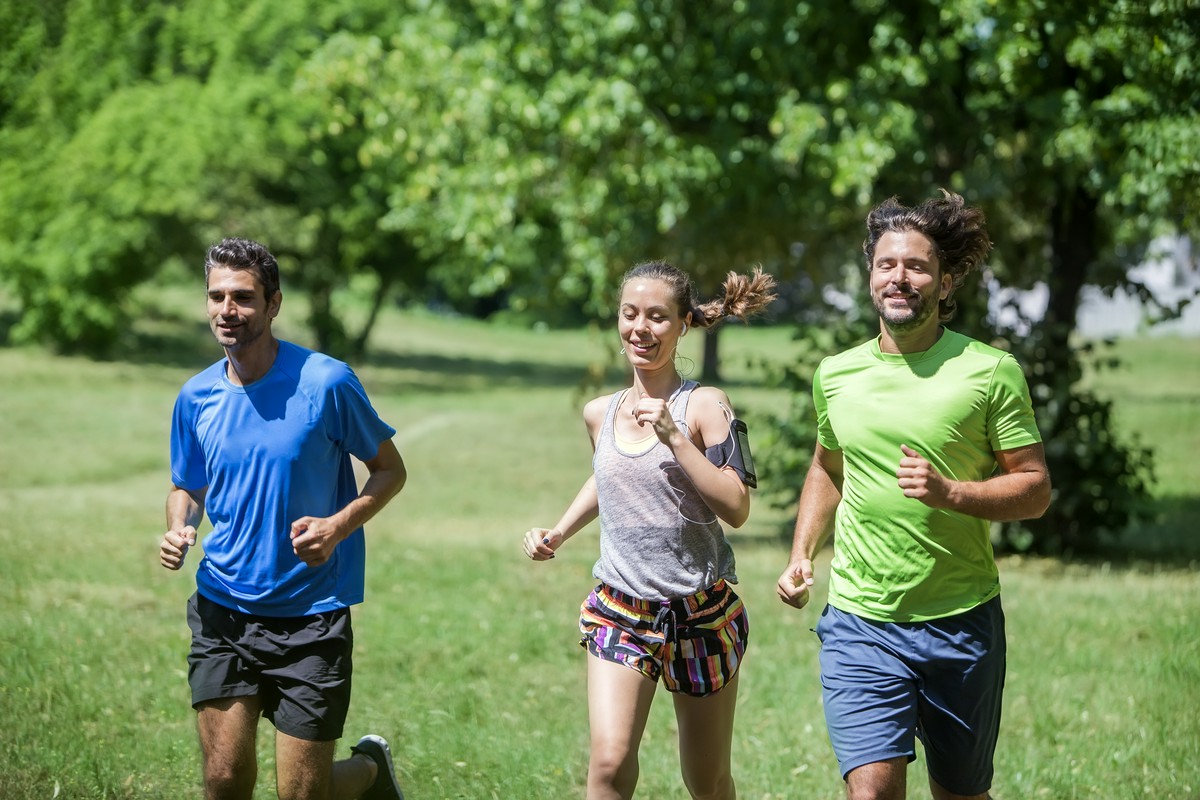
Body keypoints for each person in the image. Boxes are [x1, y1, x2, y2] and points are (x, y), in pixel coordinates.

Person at [776, 190, 1052, 800]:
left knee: (961, 793)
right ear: (871, 276)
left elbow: (1034, 490)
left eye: (917, 266)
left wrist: (951, 492)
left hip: (960, 621)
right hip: (860, 620)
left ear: (946, 281)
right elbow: (828, 466)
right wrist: (803, 553)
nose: (899, 277)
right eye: (886, 264)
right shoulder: (836, 374)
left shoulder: (989, 370)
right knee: (871, 791)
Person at [159, 237, 408, 800]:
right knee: (223, 780)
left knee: (301, 795)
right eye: (216, 296)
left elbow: (390, 470)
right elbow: (186, 483)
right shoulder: (195, 395)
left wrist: (337, 526)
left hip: (310, 618)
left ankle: (369, 772)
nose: (227, 310)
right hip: (223, 608)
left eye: (243, 298)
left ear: (273, 304)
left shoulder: (326, 382)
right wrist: (180, 525)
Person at [523, 260, 776, 800]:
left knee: (706, 782)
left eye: (658, 317)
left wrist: (675, 438)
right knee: (609, 764)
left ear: (684, 324)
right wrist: (560, 532)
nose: (642, 328)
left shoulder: (707, 406)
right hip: (622, 610)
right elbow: (608, 478)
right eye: (630, 314)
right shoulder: (600, 412)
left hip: (700, 615)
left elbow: (737, 506)